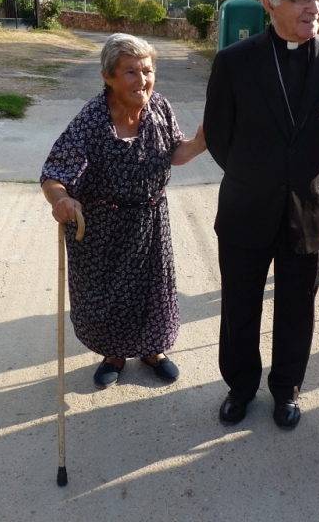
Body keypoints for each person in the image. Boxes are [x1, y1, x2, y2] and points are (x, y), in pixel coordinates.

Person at [203, 0, 319, 429]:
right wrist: (260, 176)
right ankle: (241, 385)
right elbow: (219, 136)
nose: (314, 6)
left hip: (309, 212)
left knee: (298, 308)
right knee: (240, 305)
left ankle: (287, 389)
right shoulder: (233, 62)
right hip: (246, 209)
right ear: (269, 0)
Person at [40, 33, 206, 389]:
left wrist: (202, 141)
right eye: (130, 72)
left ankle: (153, 351)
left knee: (152, 291)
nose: (142, 80)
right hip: (102, 229)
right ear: (108, 76)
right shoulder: (92, 120)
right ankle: (114, 354)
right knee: (109, 298)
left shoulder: (159, 106)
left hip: (149, 220)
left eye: (147, 70)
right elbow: (54, 173)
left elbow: (175, 152)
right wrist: (61, 200)